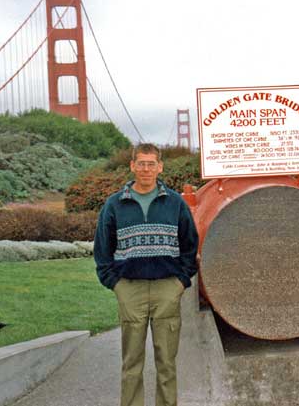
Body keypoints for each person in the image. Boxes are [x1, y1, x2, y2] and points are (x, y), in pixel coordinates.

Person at [93, 143, 199, 406]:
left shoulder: (175, 203)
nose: (146, 169)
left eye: (151, 163)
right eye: (141, 163)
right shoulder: (114, 204)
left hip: (167, 289)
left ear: (160, 167)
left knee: (166, 362)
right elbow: (102, 249)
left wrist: (181, 281)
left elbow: (190, 244)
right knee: (131, 363)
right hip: (130, 289)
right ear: (132, 166)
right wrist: (115, 284)